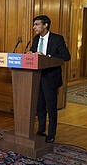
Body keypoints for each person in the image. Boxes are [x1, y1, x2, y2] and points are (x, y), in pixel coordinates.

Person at [29, 15, 71, 143]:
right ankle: (41, 130)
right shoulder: (36, 39)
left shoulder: (57, 39)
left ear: (45, 25)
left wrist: (46, 56)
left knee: (51, 107)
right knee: (39, 105)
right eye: (34, 24)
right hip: (37, 77)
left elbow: (66, 56)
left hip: (51, 78)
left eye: (36, 24)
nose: (34, 27)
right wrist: (30, 55)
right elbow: (33, 53)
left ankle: (51, 134)